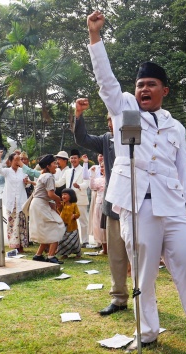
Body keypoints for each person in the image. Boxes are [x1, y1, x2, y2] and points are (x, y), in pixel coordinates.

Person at [86, 11, 186, 351]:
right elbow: (107, 83)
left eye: (150, 85)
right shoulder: (125, 108)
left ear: (164, 91)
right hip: (136, 205)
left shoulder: (175, 127)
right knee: (144, 274)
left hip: (172, 206)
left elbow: (184, 173)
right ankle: (147, 332)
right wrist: (95, 38)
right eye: (140, 84)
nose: (143, 89)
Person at [73, 102, 131, 317]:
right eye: (108, 120)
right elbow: (82, 139)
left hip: (136, 205)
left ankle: (144, 298)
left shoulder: (137, 136)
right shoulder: (106, 140)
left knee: (140, 255)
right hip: (113, 205)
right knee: (116, 254)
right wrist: (78, 114)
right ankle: (118, 298)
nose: (110, 123)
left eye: (114, 119)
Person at [29, 154, 65, 264]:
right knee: (57, 227)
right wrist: (58, 200)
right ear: (48, 166)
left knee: (46, 230)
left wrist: (53, 204)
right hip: (40, 204)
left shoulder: (43, 175)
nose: (56, 165)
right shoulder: (49, 176)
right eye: (54, 163)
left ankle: (38, 255)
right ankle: (51, 256)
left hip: (39, 204)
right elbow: (50, 194)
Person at [0, 151, 30, 253]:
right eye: (15, 160)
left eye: (18, 160)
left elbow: (28, 185)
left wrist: (26, 182)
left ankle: (22, 245)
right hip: (11, 202)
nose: (17, 162)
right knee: (12, 223)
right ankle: (14, 244)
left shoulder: (23, 171)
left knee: (21, 223)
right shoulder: (7, 171)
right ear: (10, 161)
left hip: (21, 201)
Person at [56, 149, 90, 247]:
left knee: (83, 221)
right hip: (69, 202)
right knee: (68, 221)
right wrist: (47, 181)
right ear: (69, 159)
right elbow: (59, 183)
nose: (73, 160)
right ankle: (70, 241)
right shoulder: (68, 171)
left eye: (75, 158)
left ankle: (85, 241)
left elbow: (86, 183)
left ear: (79, 159)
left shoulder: (84, 170)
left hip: (80, 199)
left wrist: (78, 186)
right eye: (72, 158)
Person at [88, 156, 107, 251]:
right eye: (102, 167)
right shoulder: (99, 179)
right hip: (99, 204)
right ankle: (104, 248)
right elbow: (92, 186)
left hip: (110, 206)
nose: (103, 169)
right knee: (100, 226)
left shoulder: (112, 179)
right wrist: (92, 174)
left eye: (105, 166)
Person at [56, 188, 82, 259]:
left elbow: (78, 214)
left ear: (71, 196)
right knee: (63, 240)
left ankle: (78, 254)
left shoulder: (74, 205)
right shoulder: (62, 204)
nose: (63, 196)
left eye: (65, 194)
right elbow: (59, 210)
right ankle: (65, 254)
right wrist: (58, 207)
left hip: (72, 227)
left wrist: (74, 215)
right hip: (63, 225)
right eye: (62, 194)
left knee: (73, 240)